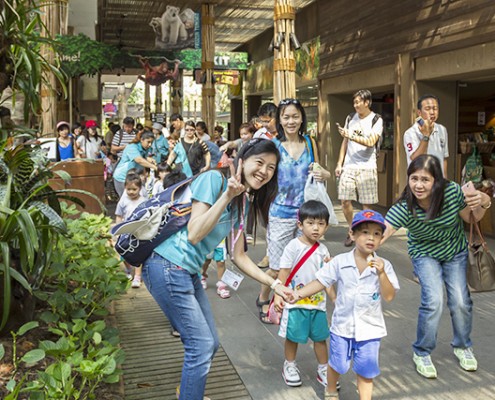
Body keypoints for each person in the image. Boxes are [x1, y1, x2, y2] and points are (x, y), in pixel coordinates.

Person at [141, 138, 293, 400]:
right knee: (200, 346)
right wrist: (227, 196)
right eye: (259, 162)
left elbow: (239, 256)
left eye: (271, 167)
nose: (264, 171)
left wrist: (275, 284)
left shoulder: (243, 200)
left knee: (209, 343)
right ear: (242, 160)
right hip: (166, 265)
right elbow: (194, 233)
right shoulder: (214, 180)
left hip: (186, 271)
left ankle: (188, 392)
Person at [382, 154, 491, 379]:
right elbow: (384, 231)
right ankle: (422, 352)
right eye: (414, 178)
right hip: (424, 254)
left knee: (460, 301)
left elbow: (471, 218)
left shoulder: (451, 193)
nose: (418, 185)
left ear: (437, 181)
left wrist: (484, 201)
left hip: (455, 252)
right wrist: (361, 245)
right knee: (433, 301)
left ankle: (462, 346)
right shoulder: (405, 207)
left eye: (425, 179)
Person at [294, 209, 399, 400]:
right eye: (365, 232)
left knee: (366, 371)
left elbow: (389, 296)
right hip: (342, 328)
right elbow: (321, 281)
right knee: (337, 364)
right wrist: (297, 294)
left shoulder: (385, 265)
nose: (371, 238)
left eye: (377, 233)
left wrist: (382, 274)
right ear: (352, 234)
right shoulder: (340, 262)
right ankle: (331, 389)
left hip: (370, 330)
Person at [256, 98, 331, 324]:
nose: (291, 121)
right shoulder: (273, 146)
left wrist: (324, 174)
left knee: (299, 263)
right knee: (276, 266)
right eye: (286, 117)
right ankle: (263, 299)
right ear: (279, 120)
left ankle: (289, 301)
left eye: (295, 116)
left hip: (305, 215)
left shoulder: (309, 142)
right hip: (279, 213)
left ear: (301, 119)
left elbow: (320, 170)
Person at [273, 200, 332, 388]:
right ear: (300, 225)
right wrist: (278, 295)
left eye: (321, 224)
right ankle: (289, 365)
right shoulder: (293, 246)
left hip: (317, 304)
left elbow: (326, 278)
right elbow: (284, 272)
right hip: (294, 302)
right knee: (293, 337)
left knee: (320, 338)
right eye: (310, 223)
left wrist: (334, 297)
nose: (316, 228)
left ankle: (324, 368)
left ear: (326, 226)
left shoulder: (323, 250)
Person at [336, 89, 383, 247]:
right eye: (354, 102)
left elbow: (371, 142)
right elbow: (345, 142)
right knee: (344, 201)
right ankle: (352, 229)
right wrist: (339, 163)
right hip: (349, 166)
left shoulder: (376, 119)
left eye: (358, 102)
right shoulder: (350, 118)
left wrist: (350, 135)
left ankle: (364, 232)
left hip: (367, 167)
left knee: (366, 205)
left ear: (367, 102)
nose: (355, 105)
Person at [403, 94, 449, 178]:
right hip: (420, 180)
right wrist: (426, 135)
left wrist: (445, 180)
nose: (432, 112)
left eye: (435, 108)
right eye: (427, 109)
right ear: (419, 112)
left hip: (438, 180)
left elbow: (444, 158)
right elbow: (415, 158)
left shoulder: (442, 129)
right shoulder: (410, 133)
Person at [115, 172, 148, 286]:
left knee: (138, 253)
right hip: (126, 231)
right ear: (125, 187)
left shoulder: (143, 201)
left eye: (134, 189)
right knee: (123, 252)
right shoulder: (123, 201)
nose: (131, 192)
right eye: (129, 189)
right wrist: (118, 229)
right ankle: (128, 269)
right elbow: (119, 215)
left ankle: (137, 276)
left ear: (140, 188)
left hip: (139, 231)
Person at [113, 131, 158, 197]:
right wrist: (155, 167)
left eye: (151, 142)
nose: (150, 144)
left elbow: (143, 159)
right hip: (122, 178)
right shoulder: (132, 147)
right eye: (148, 142)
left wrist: (148, 160)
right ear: (142, 140)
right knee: (127, 199)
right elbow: (139, 160)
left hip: (135, 177)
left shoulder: (146, 149)